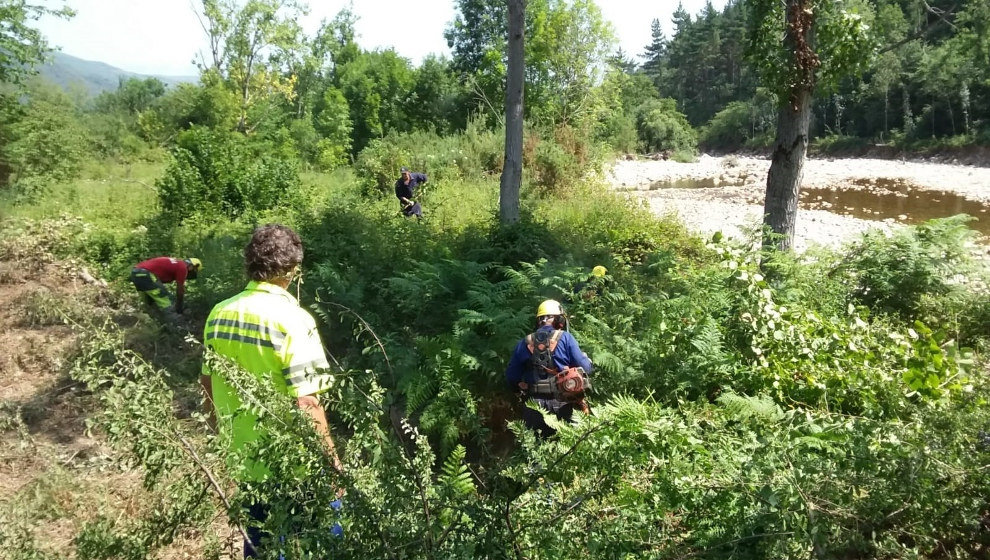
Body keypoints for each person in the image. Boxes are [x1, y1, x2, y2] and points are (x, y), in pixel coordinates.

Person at [199, 224, 342, 558]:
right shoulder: (293, 319)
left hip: (245, 460)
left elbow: (207, 383)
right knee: (327, 542)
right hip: (293, 467)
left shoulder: (219, 313)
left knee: (261, 544)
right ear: (293, 270)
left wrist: (222, 440)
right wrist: (333, 467)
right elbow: (307, 402)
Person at [505, 299, 593, 438]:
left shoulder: (525, 342)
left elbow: (511, 376)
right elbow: (586, 369)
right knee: (566, 448)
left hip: (533, 404)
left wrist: (518, 388)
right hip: (563, 403)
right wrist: (587, 360)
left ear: (538, 320)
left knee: (535, 451)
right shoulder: (566, 338)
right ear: (558, 320)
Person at [130, 256, 201, 315]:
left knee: (151, 304)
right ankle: (177, 327)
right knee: (167, 302)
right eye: (194, 271)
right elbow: (180, 290)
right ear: (191, 266)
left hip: (136, 273)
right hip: (145, 274)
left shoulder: (176, 263)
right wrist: (179, 307)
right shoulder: (183, 267)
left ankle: (152, 325)